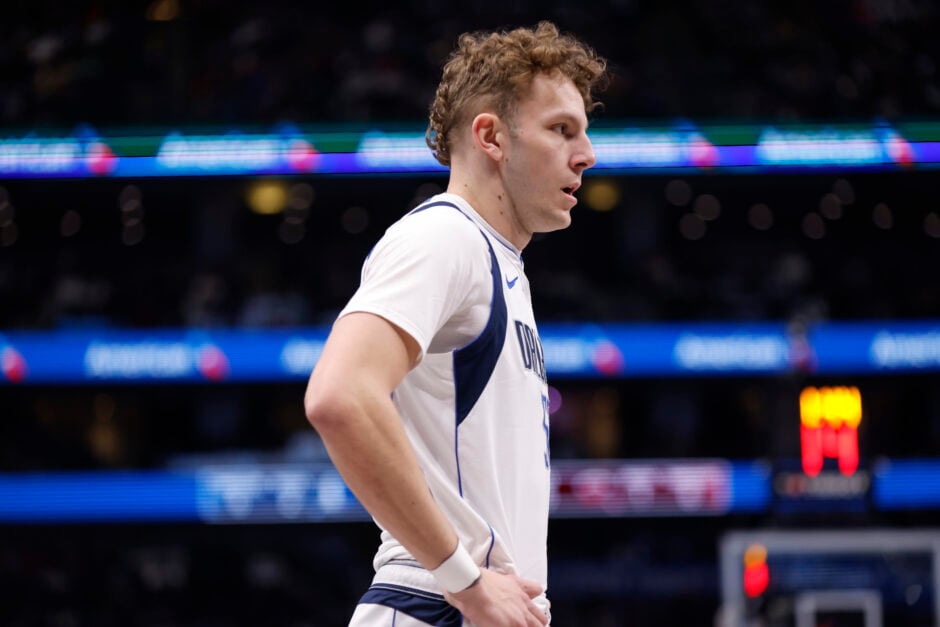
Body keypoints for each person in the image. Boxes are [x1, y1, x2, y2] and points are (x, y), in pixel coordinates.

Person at [304, 21, 607, 627]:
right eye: (561, 130)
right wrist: (464, 579)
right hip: (434, 605)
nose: (587, 154)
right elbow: (339, 396)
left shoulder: (497, 261)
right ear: (491, 136)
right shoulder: (445, 237)